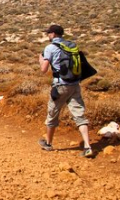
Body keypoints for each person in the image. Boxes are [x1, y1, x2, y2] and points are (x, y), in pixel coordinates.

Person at [38, 24, 93, 158]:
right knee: (79, 115)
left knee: (52, 114)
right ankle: (87, 146)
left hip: (60, 86)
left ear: (53, 34)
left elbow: (44, 70)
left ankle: (48, 143)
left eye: (48, 33)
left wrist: (41, 59)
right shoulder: (72, 45)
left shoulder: (50, 48)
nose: (47, 36)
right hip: (74, 85)